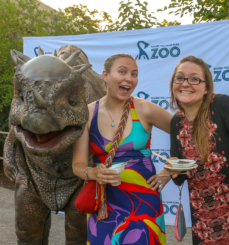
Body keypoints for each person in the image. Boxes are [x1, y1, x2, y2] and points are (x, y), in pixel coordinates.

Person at [163, 55, 229, 245]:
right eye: (180, 78)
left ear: (206, 87)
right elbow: (181, 176)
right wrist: (174, 171)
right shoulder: (176, 121)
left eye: (194, 78)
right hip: (202, 216)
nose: (186, 83)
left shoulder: (223, 106)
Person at [72, 54, 172, 244]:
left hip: (144, 204)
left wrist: (168, 171)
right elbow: (77, 164)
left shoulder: (145, 109)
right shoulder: (87, 113)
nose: (129, 78)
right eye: (122, 72)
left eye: (134, 74)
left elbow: (185, 135)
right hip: (103, 204)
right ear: (105, 75)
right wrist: (92, 172)